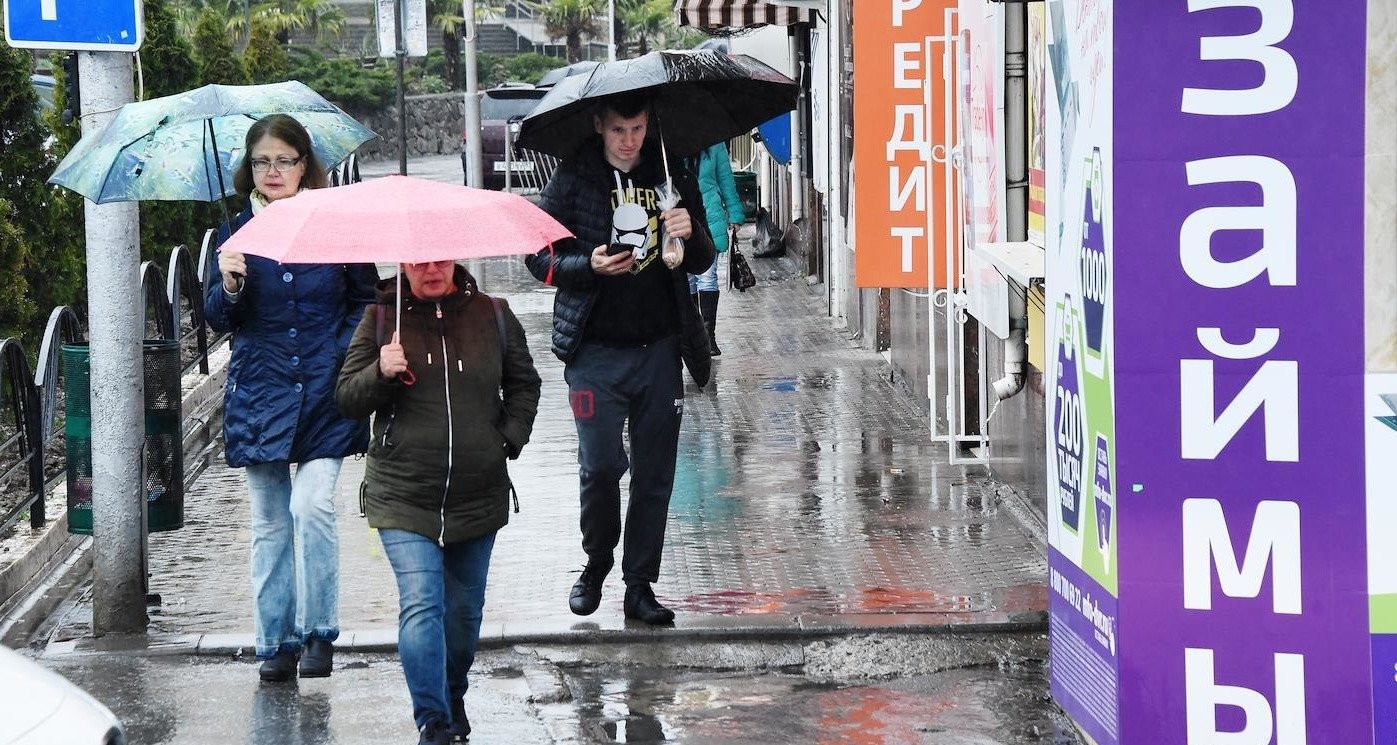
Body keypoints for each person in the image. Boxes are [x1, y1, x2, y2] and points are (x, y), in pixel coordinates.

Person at [524, 92, 716, 626]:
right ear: (598, 127)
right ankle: (596, 562)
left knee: (655, 472)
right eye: (617, 130)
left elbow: (703, 256)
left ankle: (639, 585)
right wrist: (587, 264)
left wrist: (690, 232)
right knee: (602, 465)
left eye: (636, 128)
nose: (628, 140)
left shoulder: (670, 170)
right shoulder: (574, 177)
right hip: (594, 353)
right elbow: (536, 256)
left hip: (659, 348)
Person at [336, 260, 540, 745]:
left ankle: (452, 693)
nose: (430, 269)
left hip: (477, 494)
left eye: (439, 259)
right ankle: (432, 721)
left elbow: (525, 384)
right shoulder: (381, 319)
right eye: (419, 261)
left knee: (464, 614)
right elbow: (346, 397)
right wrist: (380, 372)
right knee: (422, 603)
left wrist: (506, 440)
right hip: (403, 494)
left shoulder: (494, 315)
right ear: (404, 264)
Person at [204, 114, 378, 683]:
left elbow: (364, 299)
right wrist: (229, 284)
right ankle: (274, 642)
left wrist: (339, 350)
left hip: (327, 390)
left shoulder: (337, 223)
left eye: (285, 159)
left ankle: (318, 631)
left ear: (306, 164)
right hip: (260, 391)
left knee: (313, 507)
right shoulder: (235, 232)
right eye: (262, 162)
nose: (273, 171)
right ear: (247, 169)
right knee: (270, 524)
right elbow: (215, 319)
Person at [689, 142, 746, 356]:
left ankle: (708, 337)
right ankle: (693, 336)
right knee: (688, 280)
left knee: (707, 276)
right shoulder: (672, 145)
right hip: (682, 220)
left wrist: (735, 214)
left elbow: (726, 180)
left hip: (710, 218)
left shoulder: (715, 146)